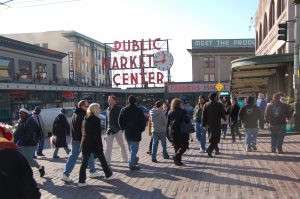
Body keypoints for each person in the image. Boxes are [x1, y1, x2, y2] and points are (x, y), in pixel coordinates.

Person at [62, 100, 102, 182]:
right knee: (75, 156)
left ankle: (92, 171)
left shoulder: (75, 114)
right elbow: (84, 129)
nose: (88, 108)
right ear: (82, 106)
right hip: (81, 140)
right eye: (87, 106)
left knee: (85, 155)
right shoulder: (83, 115)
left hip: (75, 139)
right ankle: (66, 174)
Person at [79, 103, 113, 187]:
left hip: (85, 143)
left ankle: (81, 182)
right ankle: (109, 174)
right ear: (95, 109)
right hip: (94, 144)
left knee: (84, 164)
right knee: (102, 160)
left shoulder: (85, 118)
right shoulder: (96, 120)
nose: (100, 110)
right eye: (99, 108)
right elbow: (97, 135)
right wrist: (100, 146)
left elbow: (83, 131)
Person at [13, 108, 45, 177]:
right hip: (20, 144)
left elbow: (30, 133)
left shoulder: (30, 121)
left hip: (29, 144)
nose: (19, 114)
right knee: (20, 159)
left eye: (21, 113)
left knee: (29, 160)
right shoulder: (20, 120)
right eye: (19, 113)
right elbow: (16, 131)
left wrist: (21, 140)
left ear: (26, 113)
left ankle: (40, 167)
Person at [119, 95, 146, 170]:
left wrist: (123, 128)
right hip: (136, 132)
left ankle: (134, 159)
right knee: (134, 149)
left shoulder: (124, 109)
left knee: (131, 147)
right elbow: (143, 121)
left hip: (127, 132)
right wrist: (141, 129)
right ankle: (131, 164)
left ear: (128, 101)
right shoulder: (139, 110)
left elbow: (119, 120)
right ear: (135, 101)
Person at [104, 95, 128, 164]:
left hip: (117, 130)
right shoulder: (108, 109)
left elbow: (123, 119)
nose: (108, 100)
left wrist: (121, 128)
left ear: (114, 100)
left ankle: (125, 158)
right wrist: (106, 129)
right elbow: (107, 120)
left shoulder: (119, 108)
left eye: (110, 99)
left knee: (121, 145)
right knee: (108, 146)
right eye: (108, 99)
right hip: (109, 130)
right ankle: (107, 161)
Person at [202, 92, 226, 158]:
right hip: (217, 124)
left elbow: (203, 116)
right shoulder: (219, 104)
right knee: (215, 138)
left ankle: (217, 150)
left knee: (212, 137)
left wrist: (204, 124)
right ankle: (209, 149)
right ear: (215, 97)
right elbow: (222, 113)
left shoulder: (206, 105)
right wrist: (224, 118)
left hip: (209, 124)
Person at [167, 98, 190, 166]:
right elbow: (187, 121)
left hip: (172, 131)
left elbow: (167, 123)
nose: (182, 104)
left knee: (176, 146)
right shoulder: (182, 111)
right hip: (181, 131)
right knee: (184, 145)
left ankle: (178, 162)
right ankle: (177, 157)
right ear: (179, 104)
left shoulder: (170, 112)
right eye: (181, 103)